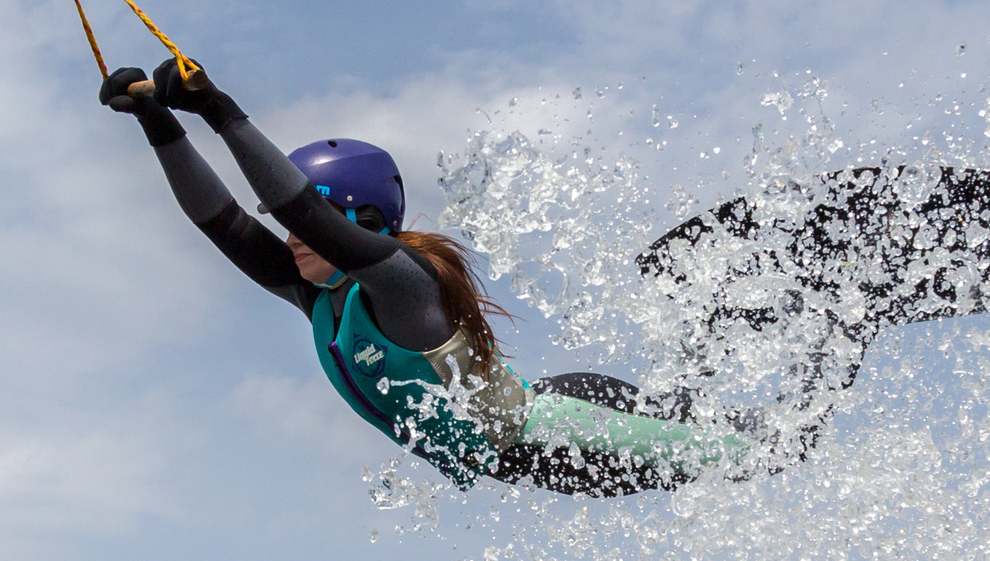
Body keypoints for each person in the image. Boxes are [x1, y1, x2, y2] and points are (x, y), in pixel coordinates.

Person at [102, 58, 752, 496]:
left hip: (567, 430)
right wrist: (159, 125)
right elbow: (221, 222)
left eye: (308, 222)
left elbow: (306, 213)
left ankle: (795, 304)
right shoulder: (319, 297)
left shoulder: (404, 283)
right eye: (289, 223)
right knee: (737, 441)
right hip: (537, 444)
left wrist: (219, 110)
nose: (290, 235)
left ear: (364, 219)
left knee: (762, 450)